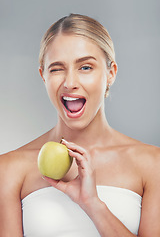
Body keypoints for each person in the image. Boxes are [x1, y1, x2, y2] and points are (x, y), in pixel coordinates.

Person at [0, 13, 160, 237]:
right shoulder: (9, 168)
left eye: (85, 67)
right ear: (43, 76)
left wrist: (93, 204)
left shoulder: (153, 164)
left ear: (110, 73)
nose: (70, 83)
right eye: (56, 68)